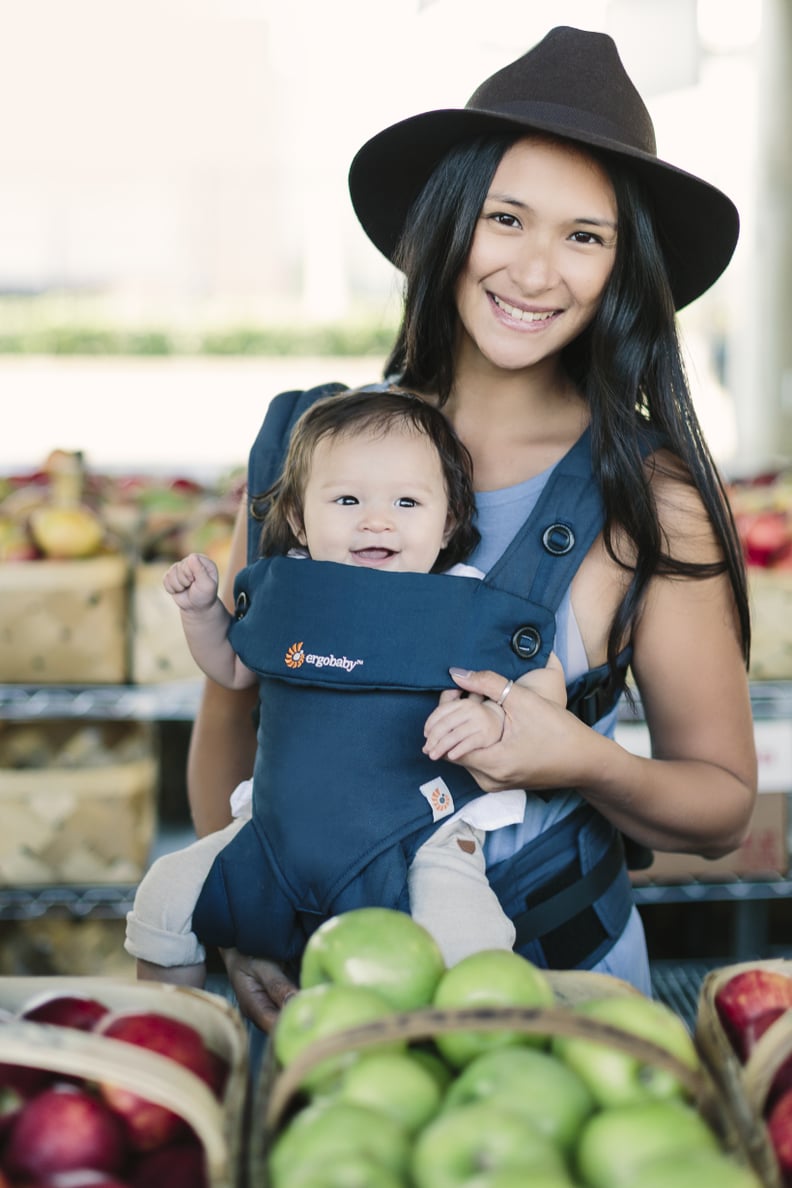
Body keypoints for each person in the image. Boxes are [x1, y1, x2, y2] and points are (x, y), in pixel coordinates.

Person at [184, 25, 757, 1030]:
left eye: (586, 236)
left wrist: (574, 757)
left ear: (623, 267)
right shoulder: (311, 451)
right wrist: (234, 921)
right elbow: (235, 715)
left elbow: (719, 809)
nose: (539, 271)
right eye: (507, 219)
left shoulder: (648, 494)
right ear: (446, 225)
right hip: (330, 990)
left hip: (562, 999)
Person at [125, 388, 567, 986]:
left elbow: (541, 681)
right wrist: (203, 612)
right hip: (275, 827)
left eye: (408, 502)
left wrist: (494, 720)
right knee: (166, 897)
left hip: (421, 836)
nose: (376, 520)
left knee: (468, 944)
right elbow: (232, 669)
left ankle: (465, 1046)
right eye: (347, 499)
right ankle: (172, 1036)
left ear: (450, 523)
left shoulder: (464, 599)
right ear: (300, 520)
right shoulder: (291, 588)